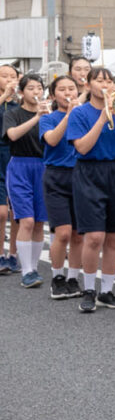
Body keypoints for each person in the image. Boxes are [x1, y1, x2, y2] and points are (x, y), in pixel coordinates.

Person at [67, 67, 115, 313]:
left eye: (108, 80)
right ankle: (88, 289)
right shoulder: (80, 113)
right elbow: (82, 147)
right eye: (99, 80)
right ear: (89, 84)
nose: (104, 84)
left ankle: (107, 290)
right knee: (94, 236)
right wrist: (103, 119)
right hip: (89, 172)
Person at [40, 77, 84, 299]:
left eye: (72, 89)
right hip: (56, 176)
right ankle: (57, 277)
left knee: (78, 235)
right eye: (62, 89)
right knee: (63, 232)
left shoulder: (84, 116)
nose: (68, 93)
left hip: (81, 176)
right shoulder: (48, 118)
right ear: (53, 95)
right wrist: (69, 116)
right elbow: (53, 140)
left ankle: (73, 277)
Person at [5, 74, 50, 287]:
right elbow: (12, 135)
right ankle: (26, 271)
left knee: (40, 222)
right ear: (22, 92)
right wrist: (37, 118)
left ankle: (33, 268)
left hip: (43, 167)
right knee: (27, 220)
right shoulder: (13, 113)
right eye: (31, 88)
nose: (36, 92)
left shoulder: (49, 114)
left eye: (39, 88)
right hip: (20, 166)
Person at [0, 63, 21, 275]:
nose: (8, 79)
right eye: (4, 76)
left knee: (16, 212)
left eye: (12, 76)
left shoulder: (19, 105)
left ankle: (13, 255)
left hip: (16, 158)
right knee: (1, 212)